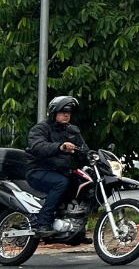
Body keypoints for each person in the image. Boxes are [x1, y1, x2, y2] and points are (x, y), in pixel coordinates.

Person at [26, 95, 90, 237]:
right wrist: (59, 147)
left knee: (82, 183)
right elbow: (37, 147)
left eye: (68, 112)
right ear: (54, 112)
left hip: (61, 171)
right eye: (63, 112)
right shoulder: (41, 128)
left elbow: (84, 150)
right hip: (38, 171)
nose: (66, 114)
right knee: (61, 183)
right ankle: (43, 223)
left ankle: (75, 230)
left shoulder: (72, 131)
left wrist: (91, 156)